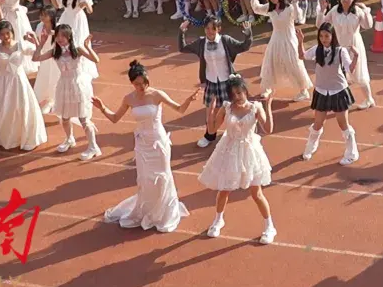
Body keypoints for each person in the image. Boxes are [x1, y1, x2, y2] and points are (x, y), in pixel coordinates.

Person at [94, 61, 198, 233]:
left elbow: (179, 109)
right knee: (145, 178)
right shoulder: (129, 99)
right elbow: (115, 118)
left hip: (158, 142)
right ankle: (147, 209)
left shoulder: (157, 94)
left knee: (163, 175)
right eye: (137, 84)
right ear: (132, 83)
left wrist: (188, 100)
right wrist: (102, 107)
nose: (141, 87)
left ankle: (164, 212)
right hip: (142, 144)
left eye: (144, 83)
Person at [197, 75, 276, 244]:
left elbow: (268, 129)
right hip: (229, 150)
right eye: (233, 94)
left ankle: (269, 226)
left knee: (256, 192)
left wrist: (268, 106)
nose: (237, 97)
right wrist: (211, 112)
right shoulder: (226, 107)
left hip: (249, 152)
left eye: (239, 93)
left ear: (245, 91)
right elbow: (212, 130)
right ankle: (218, 220)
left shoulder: (255, 108)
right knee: (224, 189)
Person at [179, 17, 253, 148]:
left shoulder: (225, 40)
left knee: (234, 110)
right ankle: (209, 136)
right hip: (211, 82)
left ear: (219, 29)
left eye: (213, 28)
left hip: (227, 82)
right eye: (207, 28)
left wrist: (248, 33)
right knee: (211, 113)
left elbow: (243, 46)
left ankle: (240, 135)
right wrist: (181, 32)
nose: (210, 31)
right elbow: (183, 48)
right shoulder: (201, 43)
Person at [29, 25, 101, 160]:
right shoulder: (54, 52)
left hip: (78, 85)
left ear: (69, 36)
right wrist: (41, 44)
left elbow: (96, 60)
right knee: (65, 117)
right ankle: (69, 139)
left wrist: (88, 47)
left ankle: (93, 146)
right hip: (63, 85)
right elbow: (36, 58)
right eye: (57, 36)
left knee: (83, 118)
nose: (59, 38)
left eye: (63, 36)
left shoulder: (77, 50)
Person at [0, 20, 47, 151]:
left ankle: (25, 137)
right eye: (2, 34)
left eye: (8, 33)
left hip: (20, 82)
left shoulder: (21, 45)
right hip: (3, 84)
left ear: (12, 33)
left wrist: (37, 42)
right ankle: (6, 137)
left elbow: (37, 55)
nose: (5, 36)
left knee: (23, 107)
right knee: (4, 108)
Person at [300, 22, 360, 165]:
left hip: (338, 90)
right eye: (321, 36)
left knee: (343, 124)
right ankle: (311, 146)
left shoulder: (340, 51)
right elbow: (302, 56)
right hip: (321, 90)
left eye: (326, 36)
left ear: (332, 36)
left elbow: (350, 69)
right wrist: (300, 41)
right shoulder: (317, 49)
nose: (324, 39)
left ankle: (352, 153)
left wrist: (356, 56)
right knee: (317, 123)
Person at [249, 0, 312, 100]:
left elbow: (298, 17)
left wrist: (295, 3)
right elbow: (256, 8)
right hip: (275, 39)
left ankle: (304, 90)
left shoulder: (289, 8)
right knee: (270, 62)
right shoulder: (270, 8)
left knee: (294, 64)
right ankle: (267, 87)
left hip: (289, 39)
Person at [317, 0, 376, 109]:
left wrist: (366, 11)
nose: (346, 0)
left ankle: (369, 99)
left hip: (355, 45)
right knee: (339, 73)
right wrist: (322, 11)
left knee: (359, 72)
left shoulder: (357, 11)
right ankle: (339, 100)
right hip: (340, 46)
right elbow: (321, 25)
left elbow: (368, 25)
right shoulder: (334, 11)